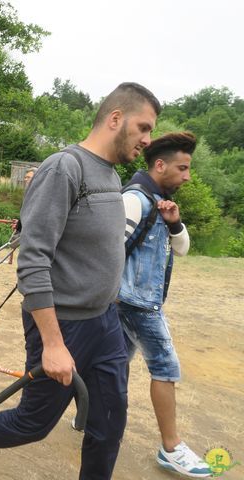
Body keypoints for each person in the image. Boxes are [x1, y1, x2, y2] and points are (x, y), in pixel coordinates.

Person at [0, 82, 161, 480]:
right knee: (32, 423)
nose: (147, 139)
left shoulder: (108, 173)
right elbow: (33, 261)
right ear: (115, 118)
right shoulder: (64, 168)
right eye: (143, 127)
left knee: (108, 423)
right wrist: (53, 344)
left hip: (105, 322)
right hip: (64, 326)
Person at [118, 132, 211, 477]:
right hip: (136, 305)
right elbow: (107, 254)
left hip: (134, 302)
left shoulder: (160, 200)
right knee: (166, 368)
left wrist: (175, 222)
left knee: (113, 364)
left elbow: (183, 248)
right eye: (182, 168)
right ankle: (170, 447)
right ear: (160, 165)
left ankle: (89, 416)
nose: (187, 176)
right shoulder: (135, 199)